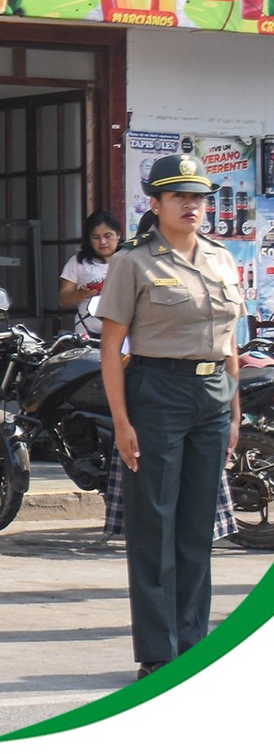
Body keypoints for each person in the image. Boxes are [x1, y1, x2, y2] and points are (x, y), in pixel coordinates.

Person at [98, 154, 247, 679]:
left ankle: (194, 645)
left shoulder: (222, 259)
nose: (192, 205)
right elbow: (112, 348)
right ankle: (160, 654)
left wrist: (233, 412)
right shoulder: (133, 262)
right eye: (179, 196)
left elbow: (229, 340)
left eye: (199, 197)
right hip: (156, 390)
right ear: (154, 203)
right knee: (154, 524)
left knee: (195, 528)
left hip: (211, 394)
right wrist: (121, 421)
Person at [59, 211, 125, 338]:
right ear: (89, 239)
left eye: (108, 236)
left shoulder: (130, 260)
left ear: (118, 235)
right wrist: (80, 294)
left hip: (124, 335)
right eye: (96, 237)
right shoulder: (78, 262)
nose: (103, 242)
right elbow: (63, 300)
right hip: (86, 334)